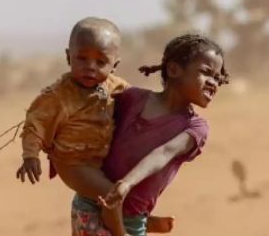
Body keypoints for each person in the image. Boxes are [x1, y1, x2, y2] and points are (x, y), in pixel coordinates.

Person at [16, 17, 171, 236]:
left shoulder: (114, 86)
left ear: (114, 65)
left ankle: (138, 219)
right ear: (68, 56)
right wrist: (30, 155)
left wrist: (170, 100)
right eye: (82, 58)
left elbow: (140, 101)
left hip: (99, 160)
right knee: (111, 192)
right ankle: (121, 232)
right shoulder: (58, 95)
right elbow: (35, 123)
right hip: (72, 162)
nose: (90, 67)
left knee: (129, 183)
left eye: (100, 62)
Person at [73, 34, 229, 236]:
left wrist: (126, 184)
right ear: (173, 70)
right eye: (206, 73)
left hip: (131, 219)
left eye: (218, 78)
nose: (213, 83)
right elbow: (91, 112)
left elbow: (164, 152)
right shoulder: (131, 98)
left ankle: (144, 223)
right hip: (92, 204)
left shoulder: (195, 127)